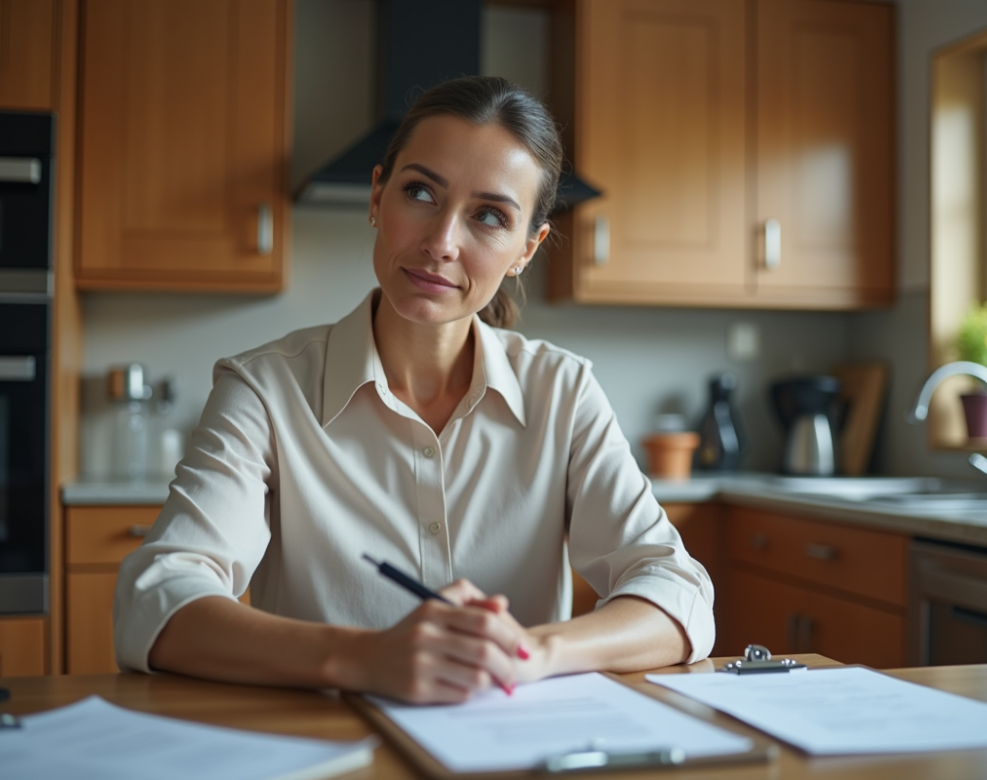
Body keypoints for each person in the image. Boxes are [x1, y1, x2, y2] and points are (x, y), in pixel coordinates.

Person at [113, 76, 714, 704]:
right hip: (328, 745)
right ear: (377, 197)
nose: (441, 242)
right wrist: (365, 657)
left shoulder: (563, 391)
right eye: (420, 192)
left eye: (489, 216)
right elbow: (153, 601)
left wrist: (531, 653)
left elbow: (679, 593)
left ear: (526, 250)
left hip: (511, 749)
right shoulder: (264, 389)